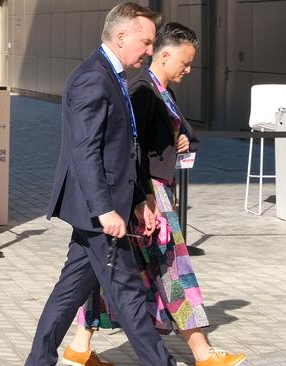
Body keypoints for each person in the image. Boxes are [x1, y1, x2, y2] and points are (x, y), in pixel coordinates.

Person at [63, 22, 246, 366]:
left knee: (111, 270)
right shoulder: (142, 89)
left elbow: (182, 134)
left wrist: (182, 140)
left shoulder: (161, 91)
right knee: (173, 268)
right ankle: (202, 352)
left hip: (151, 194)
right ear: (165, 55)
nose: (189, 70)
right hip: (148, 196)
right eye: (185, 63)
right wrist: (141, 199)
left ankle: (79, 346)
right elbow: (129, 149)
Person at [25, 3, 179, 366]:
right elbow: (85, 150)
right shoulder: (94, 77)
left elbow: (123, 149)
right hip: (98, 211)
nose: (149, 50)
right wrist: (106, 209)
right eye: (145, 42)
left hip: (101, 207)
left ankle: (37, 361)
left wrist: (139, 199)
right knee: (128, 295)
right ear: (121, 36)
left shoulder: (113, 74)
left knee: (68, 292)